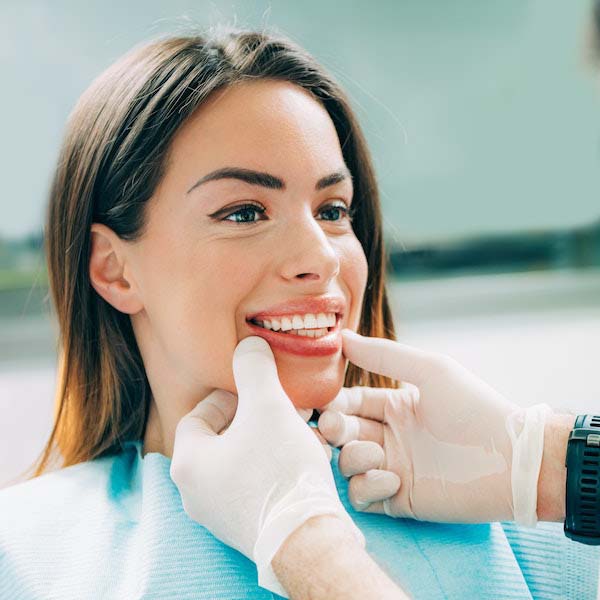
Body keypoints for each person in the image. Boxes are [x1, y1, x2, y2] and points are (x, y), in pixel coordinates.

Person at [1, 24, 598, 600]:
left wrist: (545, 461)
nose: (321, 256)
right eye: (243, 213)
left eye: (334, 209)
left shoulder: (534, 525)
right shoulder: (22, 555)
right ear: (114, 268)